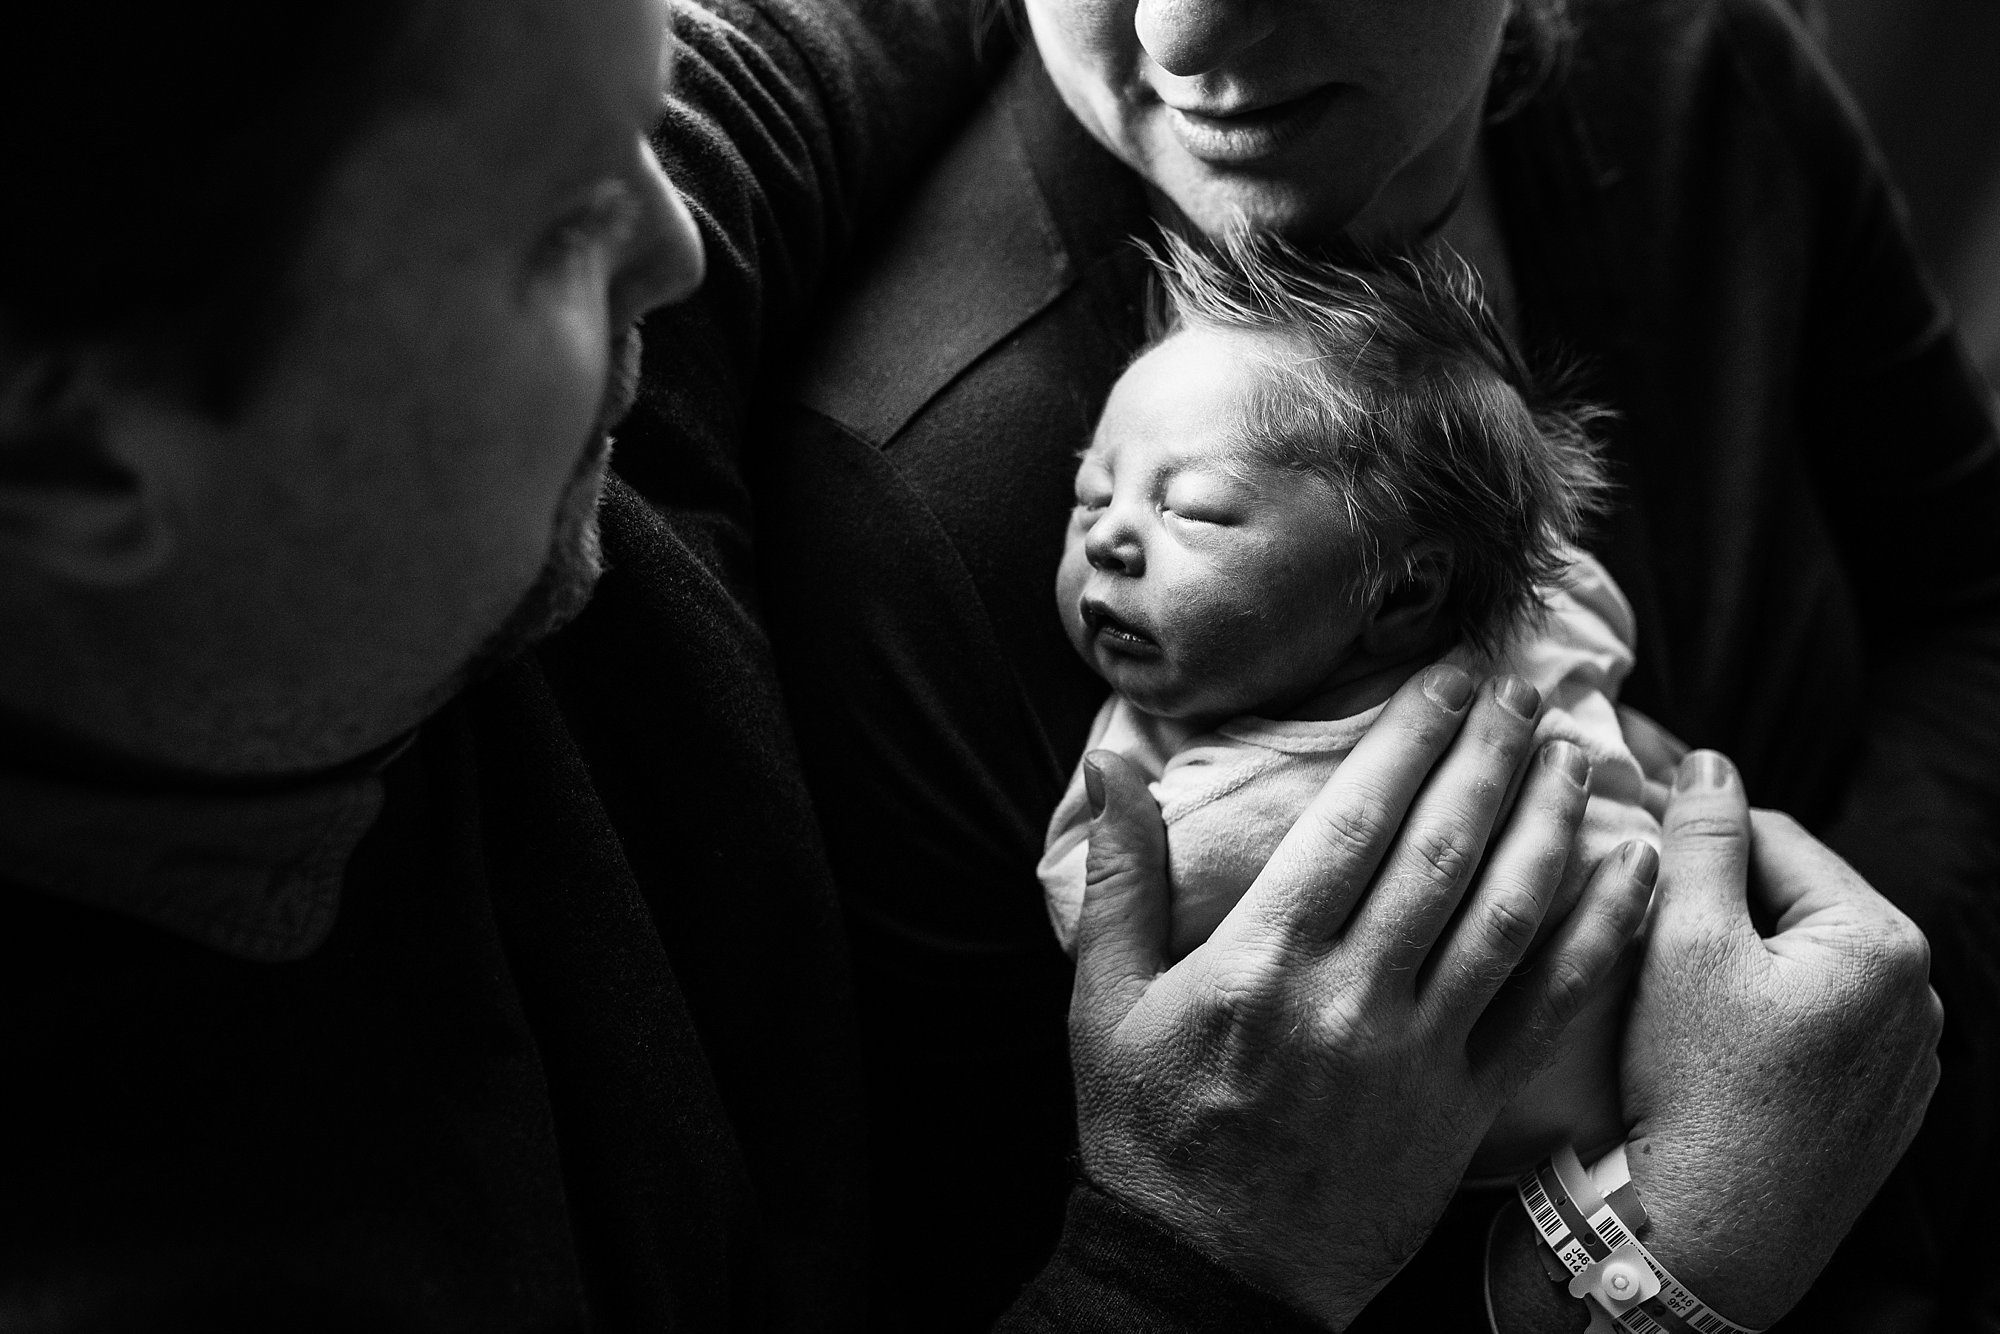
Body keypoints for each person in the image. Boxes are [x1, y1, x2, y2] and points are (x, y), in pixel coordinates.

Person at [0, 0, 1681, 1329]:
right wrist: (1201, 1261)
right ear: (83, 469)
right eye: (567, 228)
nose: (675, 243)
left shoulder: (473, 235)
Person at [751, 0, 1999, 1324]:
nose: (1176, 40)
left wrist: (1857, 1013)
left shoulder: (1698, 74)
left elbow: (1970, 592)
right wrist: (1635, 1256)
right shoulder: (920, 516)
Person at [1035, 237, 1654, 1173]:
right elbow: (1592, 616)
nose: (1112, 537)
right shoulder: (1549, 624)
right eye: (1091, 495)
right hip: (1568, 1151)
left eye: (1192, 509)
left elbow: (1093, 907)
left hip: (1625, 1104)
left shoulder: (1209, 815)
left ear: (1403, 595)